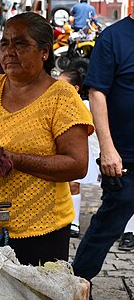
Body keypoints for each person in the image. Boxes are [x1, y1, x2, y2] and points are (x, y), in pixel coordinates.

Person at [0, 12, 93, 266]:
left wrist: (15, 159)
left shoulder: (63, 97)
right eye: (5, 43)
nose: (9, 51)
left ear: (44, 52)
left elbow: (77, 164)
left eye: (20, 44)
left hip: (39, 229)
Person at [72, 0, 134, 289]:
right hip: (125, 156)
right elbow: (97, 92)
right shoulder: (114, 37)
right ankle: (77, 284)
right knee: (108, 224)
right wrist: (107, 149)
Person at [57, 70, 100, 238]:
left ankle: (126, 229)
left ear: (75, 88)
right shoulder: (56, 105)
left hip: (91, 150)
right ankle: (72, 222)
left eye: (62, 84)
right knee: (72, 184)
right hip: (69, 151)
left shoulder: (87, 105)